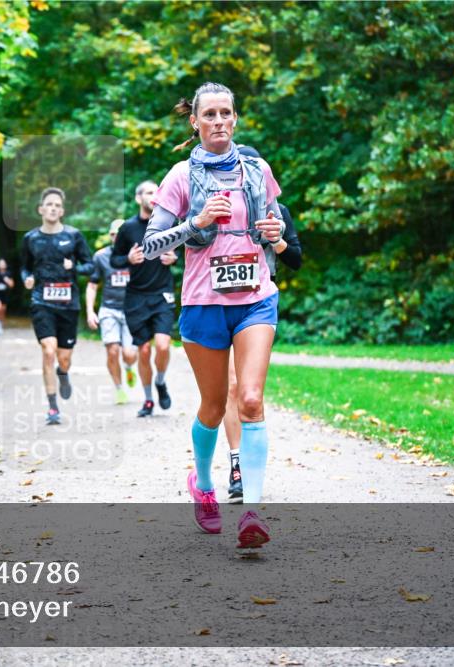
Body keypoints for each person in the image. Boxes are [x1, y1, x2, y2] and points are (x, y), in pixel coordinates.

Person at [142, 82, 285, 548]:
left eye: (226, 113)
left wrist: (275, 230)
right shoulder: (181, 176)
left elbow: (277, 228)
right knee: (211, 406)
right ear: (195, 122)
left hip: (255, 297)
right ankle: (203, 484)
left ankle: (252, 511)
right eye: (210, 115)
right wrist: (196, 222)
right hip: (204, 303)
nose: (219, 121)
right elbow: (149, 245)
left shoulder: (257, 169)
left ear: (235, 118)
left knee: (249, 399)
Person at [223, 144, 303, 503]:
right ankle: (236, 464)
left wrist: (278, 240)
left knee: (249, 392)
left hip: (257, 304)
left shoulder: (277, 210)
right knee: (230, 387)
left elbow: (297, 260)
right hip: (218, 302)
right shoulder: (218, 206)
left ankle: (249, 470)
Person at [20, 187, 94, 425]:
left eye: (57, 205)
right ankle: (52, 407)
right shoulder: (30, 239)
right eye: (48, 204)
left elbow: (89, 266)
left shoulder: (74, 236)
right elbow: (24, 267)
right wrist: (26, 279)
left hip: (68, 304)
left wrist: (74, 268)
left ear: (62, 211)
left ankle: (63, 374)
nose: (52, 208)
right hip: (41, 301)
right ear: (41, 209)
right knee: (48, 351)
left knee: (63, 359)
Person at [110, 181, 178, 418]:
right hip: (136, 297)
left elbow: (182, 249)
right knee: (144, 350)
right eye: (149, 192)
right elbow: (114, 260)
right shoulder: (128, 228)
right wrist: (128, 258)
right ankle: (148, 400)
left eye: (157, 191)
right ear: (139, 198)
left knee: (162, 344)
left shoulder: (168, 223)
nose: (154, 196)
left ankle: (160, 381)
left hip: (162, 294)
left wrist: (174, 258)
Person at [86, 219, 138, 404]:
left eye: (120, 234)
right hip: (109, 309)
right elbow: (92, 286)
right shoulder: (100, 257)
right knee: (112, 351)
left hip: (132, 310)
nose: (117, 237)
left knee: (130, 354)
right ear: (110, 236)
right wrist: (90, 311)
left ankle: (129, 367)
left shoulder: (137, 255)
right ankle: (119, 389)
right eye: (114, 234)